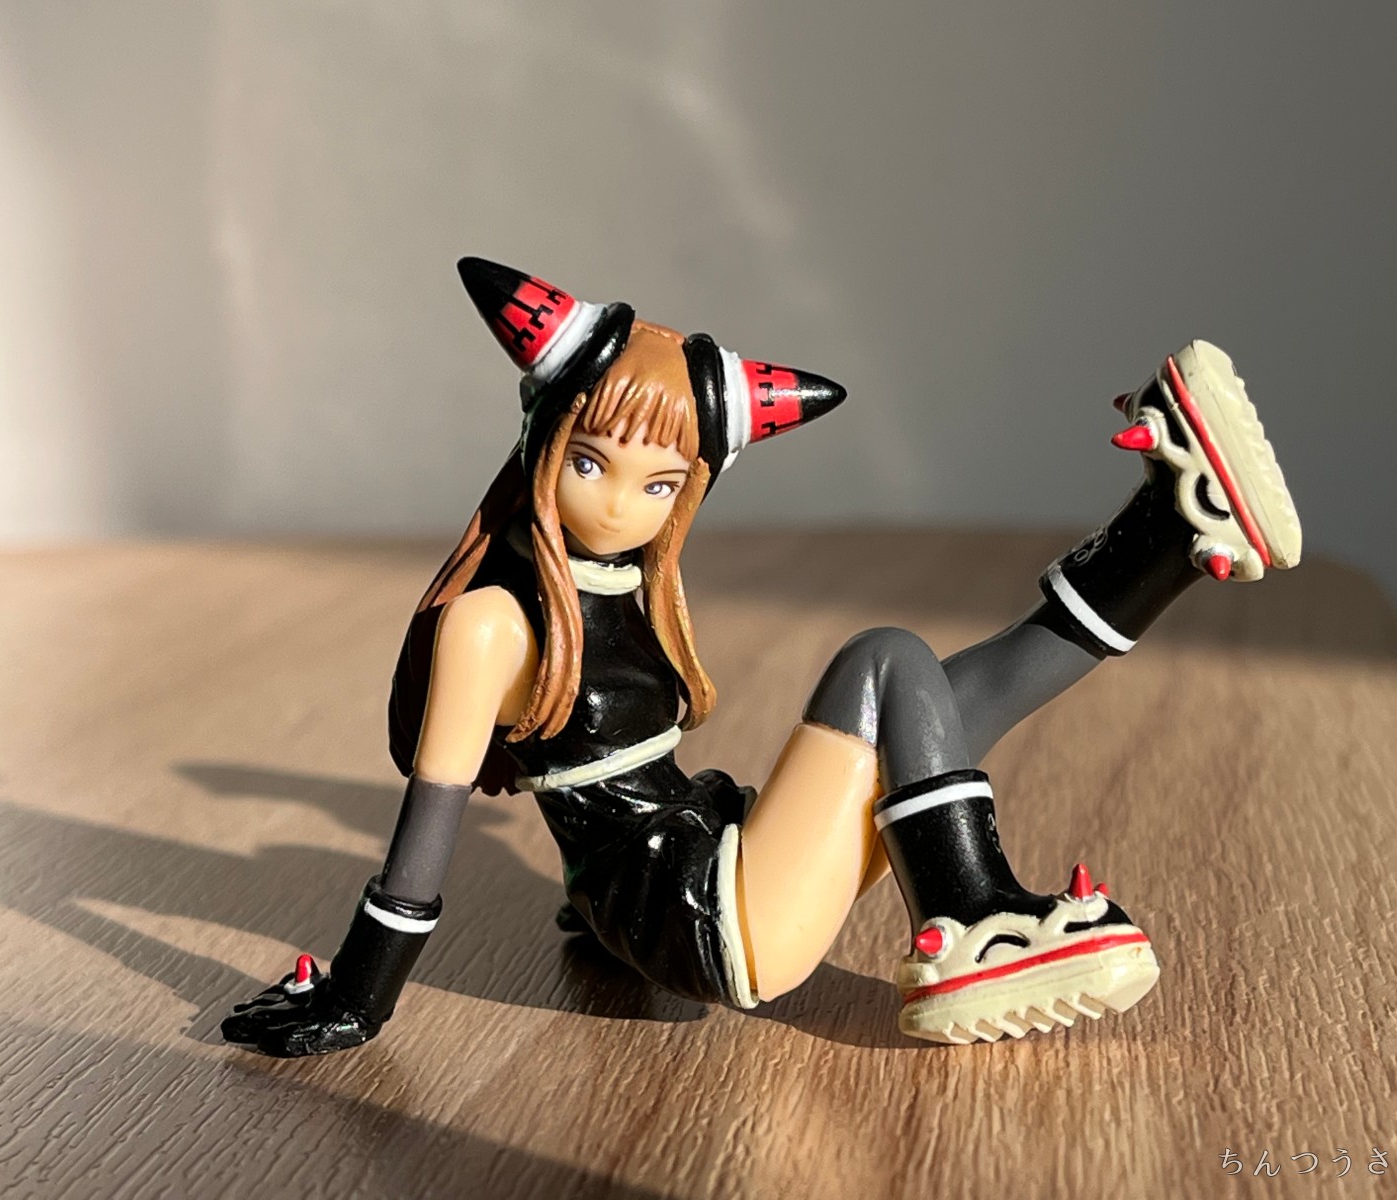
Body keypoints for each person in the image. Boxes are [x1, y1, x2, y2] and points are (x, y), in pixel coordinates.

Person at [222, 257, 1300, 1055]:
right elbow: (427, 837)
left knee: (939, 700)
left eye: (659, 484)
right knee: (885, 659)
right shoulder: (491, 625)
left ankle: (1168, 536)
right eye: (590, 462)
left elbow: (595, 798)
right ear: (541, 443)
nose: (621, 505)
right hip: (704, 914)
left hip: (703, 864)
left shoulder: (624, 584)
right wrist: (356, 999)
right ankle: (970, 915)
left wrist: (587, 914)